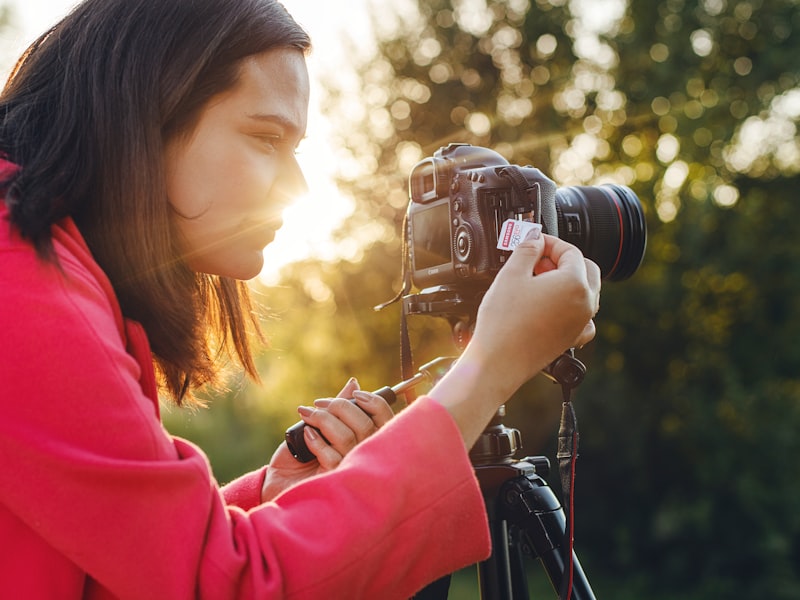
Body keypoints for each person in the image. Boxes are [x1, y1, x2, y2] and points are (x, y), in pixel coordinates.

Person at [0, 0, 601, 598]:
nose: (296, 186)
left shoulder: (42, 270)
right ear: (143, 117)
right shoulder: (22, 287)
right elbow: (228, 588)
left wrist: (269, 501)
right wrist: (489, 368)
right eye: (266, 138)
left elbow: (112, 569)